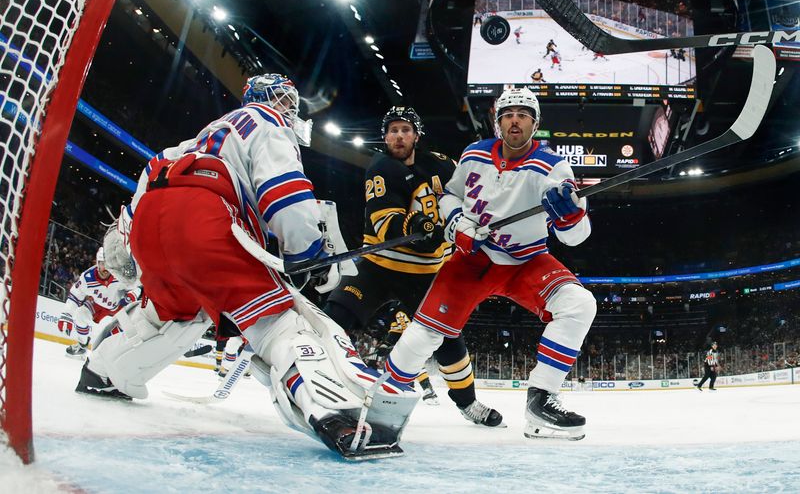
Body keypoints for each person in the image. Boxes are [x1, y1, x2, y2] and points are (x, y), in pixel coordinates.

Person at [77, 74, 418, 460]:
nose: (291, 109)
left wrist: (126, 248)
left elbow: (144, 191)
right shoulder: (265, 122)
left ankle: (103, 372)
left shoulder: (201, 136)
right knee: (281, 320)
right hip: (205, 218)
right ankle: (339, 414)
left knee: (171, 313)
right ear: (276, 99)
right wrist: (306, 251)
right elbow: (284, 191)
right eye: (288, 101)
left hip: (150, 226)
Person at [385, 87, 597, 441]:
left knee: (579, 304)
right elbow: (450, 196)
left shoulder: (554, 167)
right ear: (498, 121)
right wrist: (458, 226)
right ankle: (384, 399)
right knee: (424, 333)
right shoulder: (474, 154)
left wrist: (570, 216)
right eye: (508, 113)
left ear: (535, 122)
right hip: (472, 260)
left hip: (525, 261)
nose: (515, 119)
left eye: (523, 114)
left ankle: (541, 400)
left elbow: (575, 237)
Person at [323, 106, 504, 426]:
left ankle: (468, 403)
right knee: (336, 317)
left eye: (405, 130)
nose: (399, 136)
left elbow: (472, 194)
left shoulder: (442, 165)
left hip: (426, 274)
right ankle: (324, 385)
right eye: (393, 130)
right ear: (385, 136)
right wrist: (420, 228)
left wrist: (483, 213)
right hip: (378, 266)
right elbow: (386, 227)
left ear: (416, 135)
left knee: (449, 337)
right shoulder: (379, 168)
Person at [57, 248, 138, 358]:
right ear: (97, 263)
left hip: (118, 306)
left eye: (108, 264)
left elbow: (136, 287)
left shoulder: (120, 274)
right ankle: (82, 345)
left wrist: (132, 295)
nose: (106, 268)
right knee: (81, 314)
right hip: (98, 305)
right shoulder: (87, 278)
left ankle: (117, 354)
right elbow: (75, 296)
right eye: (102, 264)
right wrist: (67, 314)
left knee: (127, 331)